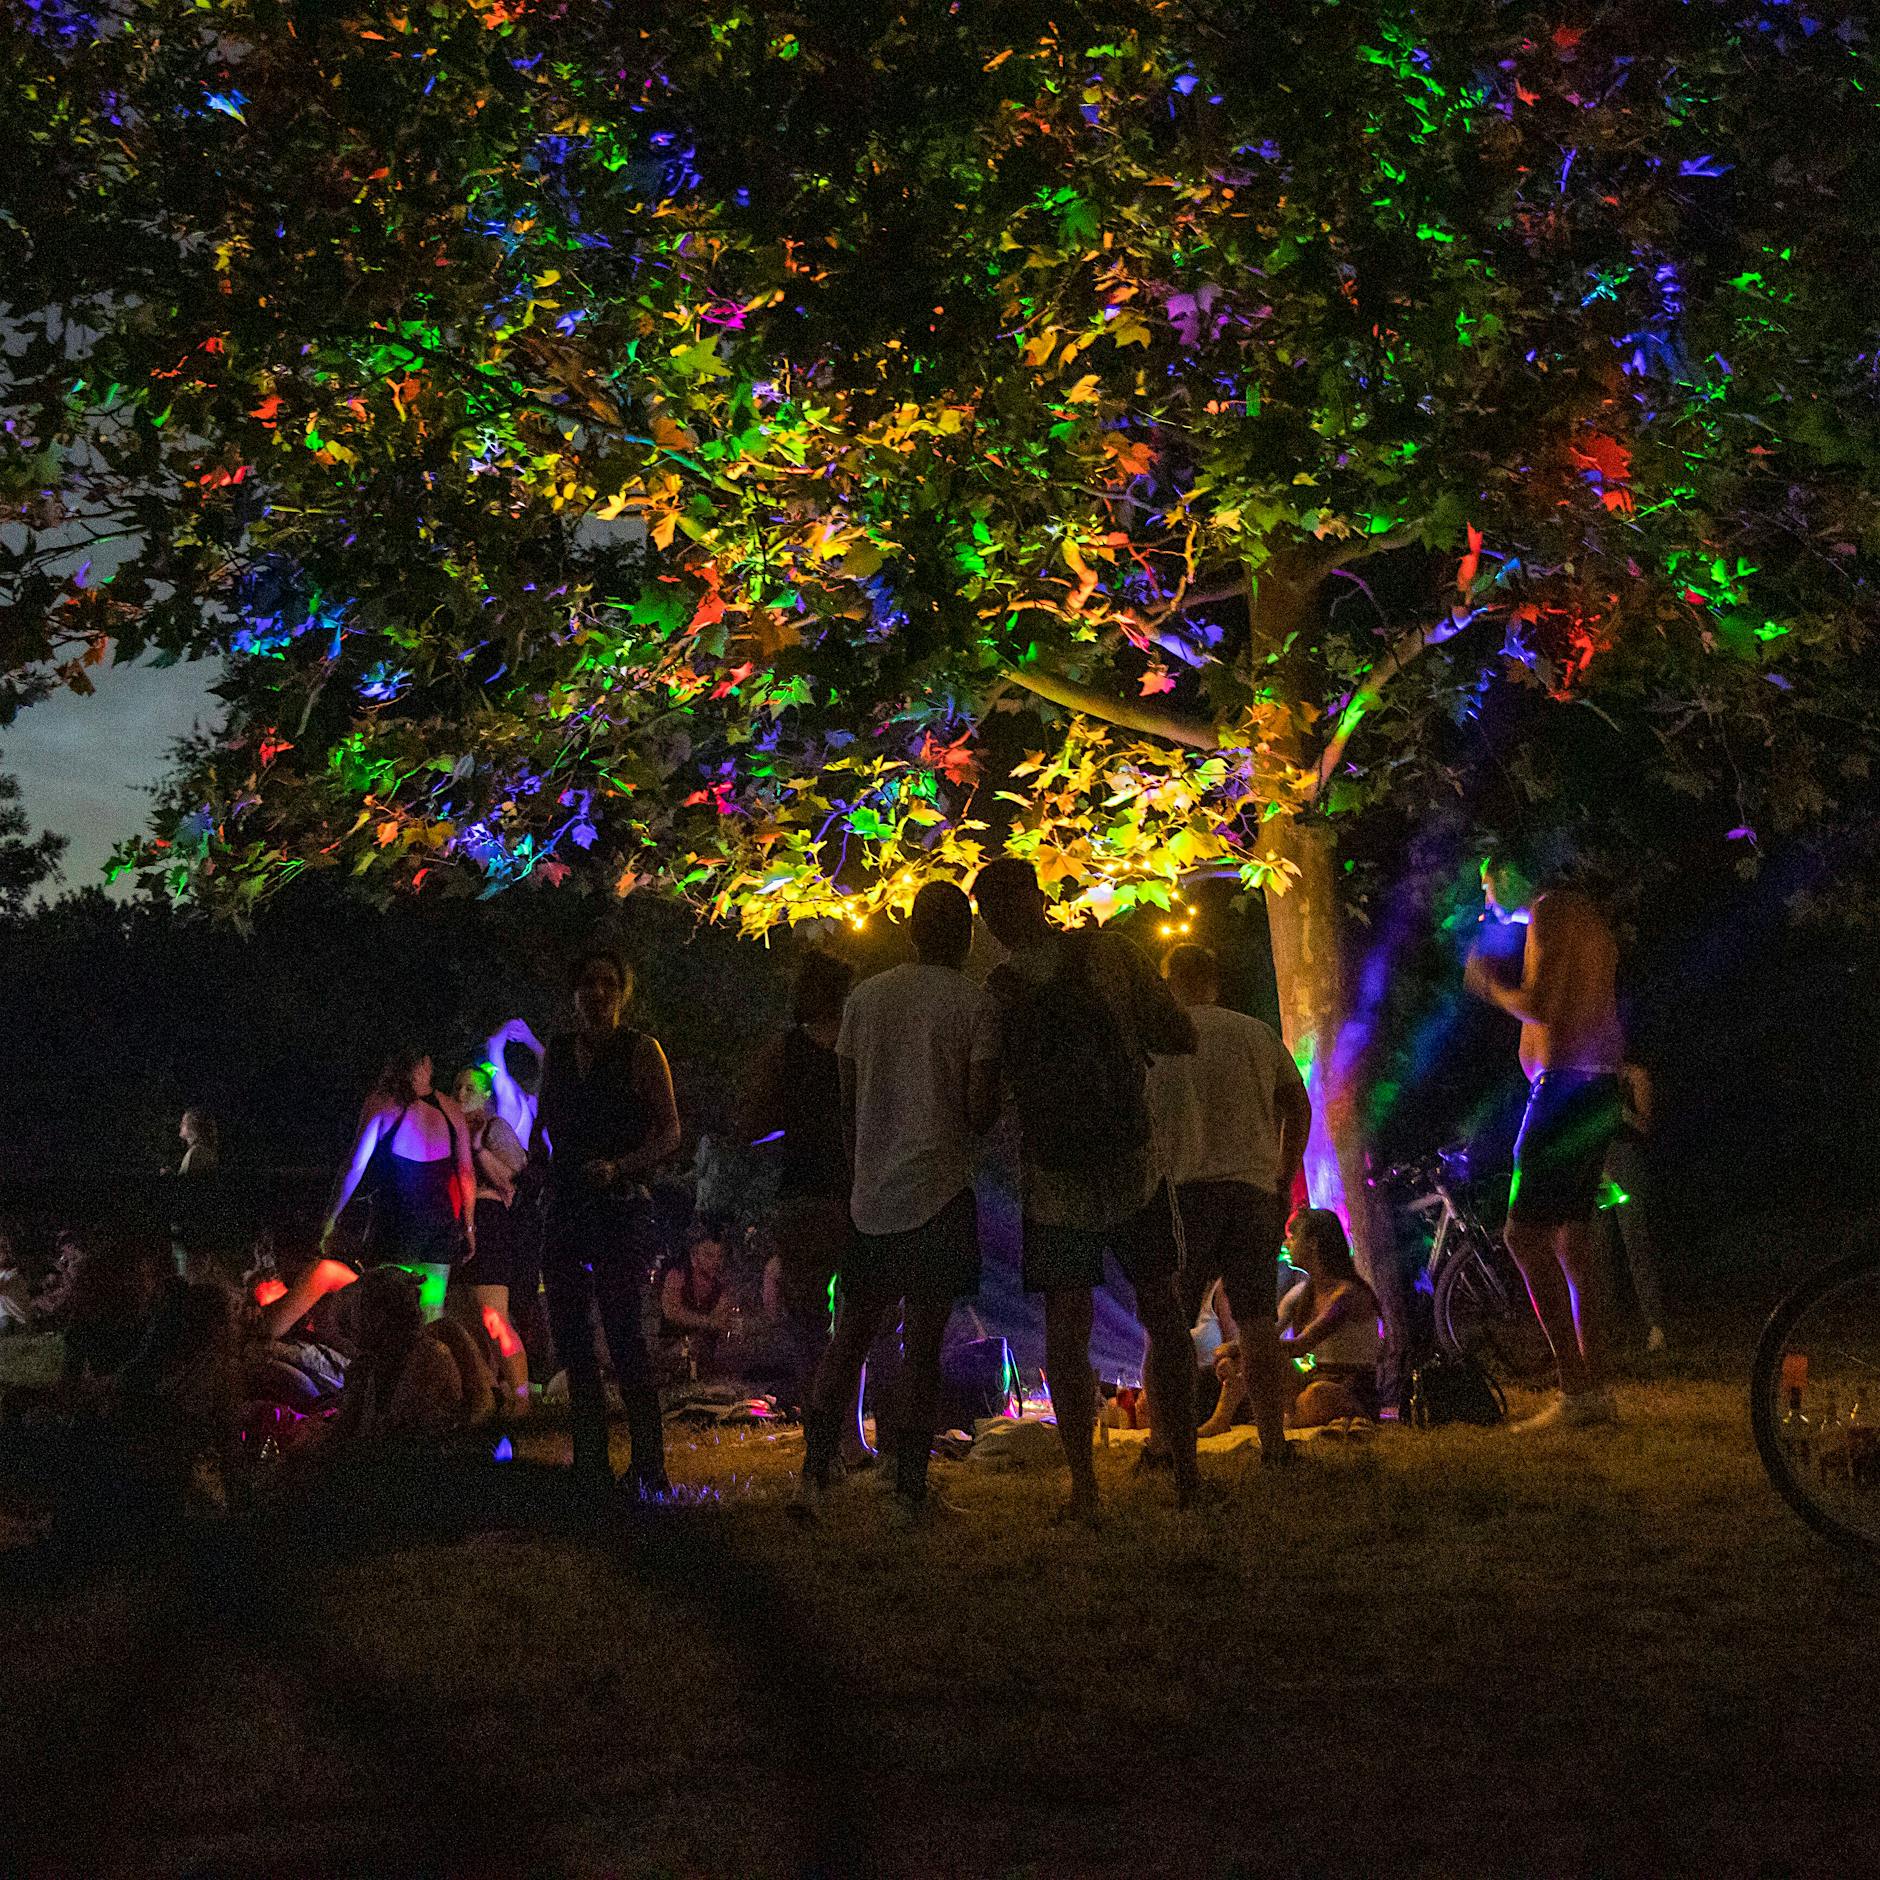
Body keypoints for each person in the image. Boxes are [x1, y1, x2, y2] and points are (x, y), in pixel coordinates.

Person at [973, 856, 1199, 1524]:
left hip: (1053, 1178)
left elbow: (991, 1098)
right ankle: (1187, 1475)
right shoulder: (1112, 954)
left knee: (1066, 1330)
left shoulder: (1002, 987)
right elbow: (1178, 1034)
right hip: (1134, 1166)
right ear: (1041, 898)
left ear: (990, 920)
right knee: (1164, 1312)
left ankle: (1085, 1489)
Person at [796, 882, 1000, 1525]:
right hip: (939, 1191)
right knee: (924, 1342)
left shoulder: (865, 999)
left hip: (872, 1195)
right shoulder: (975, 1002)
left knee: (850, 1335)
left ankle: (815, 1475)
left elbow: (848, 1097)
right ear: (965, 935)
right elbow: (979, 1109)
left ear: (911, 930)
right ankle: (907, 1489)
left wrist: (867, 1163)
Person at [1465, 848, 1626, 1429]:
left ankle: (1575, 1390)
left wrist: (1489, 986)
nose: (1486, 901)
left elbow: (1542, 1005)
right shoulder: (1583, 916)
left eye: (1487, 887)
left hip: (1566, 1089)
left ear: (1508, 874)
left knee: (1523, 1235)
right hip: (1595, 1085)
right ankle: (1597, 1390)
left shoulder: (1550, 914)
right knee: (1573, 1241)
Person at [1148, 943, 1311, 1465]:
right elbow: (1297, 1105)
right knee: (1258, 1321)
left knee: (1167, 1322)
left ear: (1168, 983)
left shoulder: (1155, 1042)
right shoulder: (1254, 1034)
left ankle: (1164, 1444)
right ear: (1213, 981)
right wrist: (1282, 1173)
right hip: (1250, 1191)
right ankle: (1273, 1444)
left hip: (1184, 1194)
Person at [535, 946, 680, 1497]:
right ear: (574, 992)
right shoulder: (561, 1052)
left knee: (624, 1335)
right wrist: (536, 1161)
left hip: (620, 1204)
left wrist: (621, 1167)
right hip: (569, 1202)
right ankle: (590, 1464)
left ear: (621, 992)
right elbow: (546, 1121)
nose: (597, 993)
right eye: (588, 982)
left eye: (607, 983)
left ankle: (649, 1468)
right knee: (572, 1338)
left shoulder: (642, 1052)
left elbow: (670, 1132)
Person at [743, 949, 855, 1423]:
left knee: (810, 1324)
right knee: (859, 1322)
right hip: (857, 1195)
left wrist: (797, 1121)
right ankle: (847, 1431)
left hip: (805, 1195)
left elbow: (751, 1123)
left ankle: (820, 1429)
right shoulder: (860, 1046)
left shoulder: (785, 1051)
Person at [322, 1048, 475, 1322]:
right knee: (430, 1313)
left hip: (397, 1223)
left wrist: (331, 1219)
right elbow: (466, 1173)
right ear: (426, 1065)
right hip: (440, 1226)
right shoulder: (452, 1110)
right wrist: (469, 1225)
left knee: (388, 1314)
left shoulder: (384, 1104)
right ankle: (428, 1364)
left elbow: (355, 1167)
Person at [455, 1064, 532, 1412]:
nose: (461, 1095)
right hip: (461, 1224)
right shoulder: (451, 1127)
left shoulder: (495, 1128)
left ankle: (522, 1399)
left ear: (487, 1094)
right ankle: (489, 1395)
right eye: (457, 1088)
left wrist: (478, 1147)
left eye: (470, 1089)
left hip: (490, 1222)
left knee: (494, 1316)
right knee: (468, 1320)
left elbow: (513, 1176)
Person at [1274, 1208, 1383, 1427]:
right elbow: (1269, 1332)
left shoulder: (1346, 1294)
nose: (1287, 1245)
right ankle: (1223, 1417)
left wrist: (1248, 1348)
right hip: (1315, 1379)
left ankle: (1289, 1420)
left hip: (1351, 1389)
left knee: (1318, 1394)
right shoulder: (1302, 1293)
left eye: (1293, 1238)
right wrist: (1237, 1351)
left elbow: (1300, 1346)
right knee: (1262, 1363)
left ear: (1313, 1243)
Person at [1605, 1060, 1667, 1353]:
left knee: (1636, 1245)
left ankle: (1656, 1325)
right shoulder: (1594, 1076)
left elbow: (1645, 1125)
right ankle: (1602, 1329)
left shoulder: (1637, 1077)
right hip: (1598, 1164)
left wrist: (1620, 1113)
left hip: (1626, 1162)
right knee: (1595, 1248)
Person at [657, 1216, 736, 1380]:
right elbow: (672, 1312)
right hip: (672, 1344)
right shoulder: (678, 1274)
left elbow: (722, 1319)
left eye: (719, 1256)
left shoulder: (719, 1283)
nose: (715, 1261)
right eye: (708, 1255)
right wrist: (708, 1321)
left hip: (704, 1349)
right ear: (694, 1255)